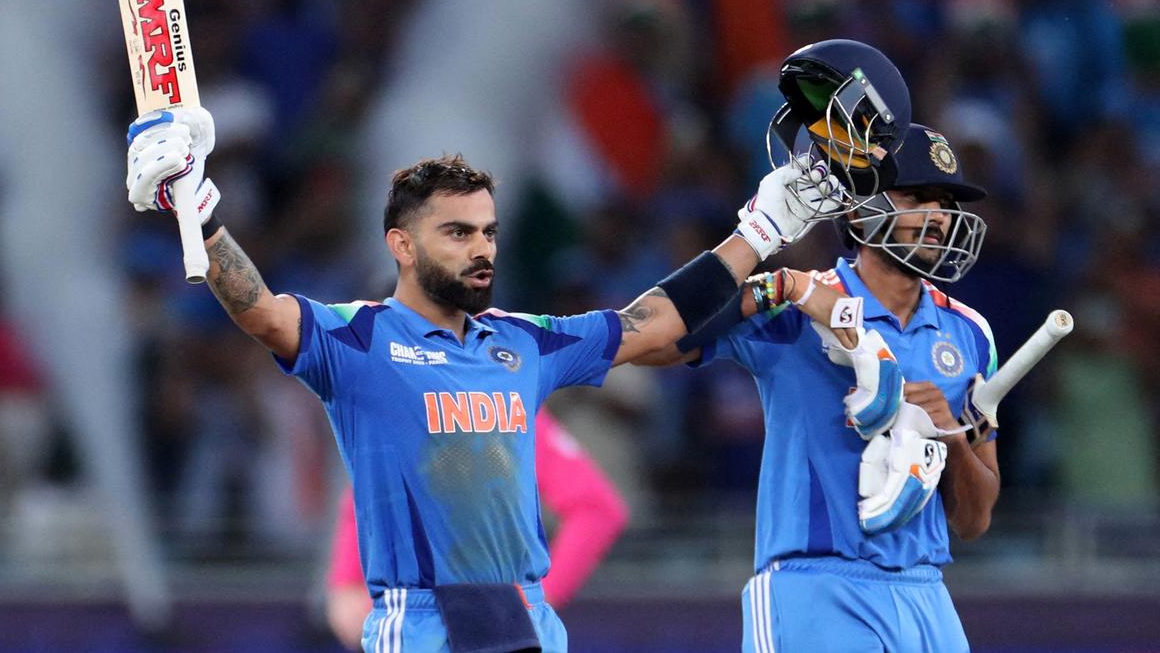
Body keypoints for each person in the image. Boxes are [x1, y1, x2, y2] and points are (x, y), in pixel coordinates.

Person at [123, 38, 907, 651]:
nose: (482, 250)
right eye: (457, 233)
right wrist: (199, 212)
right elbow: (262, 313)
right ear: (402, 245)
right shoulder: (358, 337)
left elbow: (653, 324)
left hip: (529, 619)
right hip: (422, 623)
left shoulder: (522, 340)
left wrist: (760, 230)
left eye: (489, 232)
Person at [650, 123, 999, 652]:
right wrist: (772, 278)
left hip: (927, 592)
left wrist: (949, 434)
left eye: (946, 202)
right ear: (858, 211)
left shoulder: (970, 333)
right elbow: (657, 342)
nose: (938, 216)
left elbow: (973, 521)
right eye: (917, 197)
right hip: (814, 585)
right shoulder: (794, 304)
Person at [324, 406, 629, 650]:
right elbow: (372, 489)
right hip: (416, 622)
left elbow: (596, 510)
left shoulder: (504, 402)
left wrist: (534, 600)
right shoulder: (409, 391)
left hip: (489, 625)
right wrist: (346, 582)